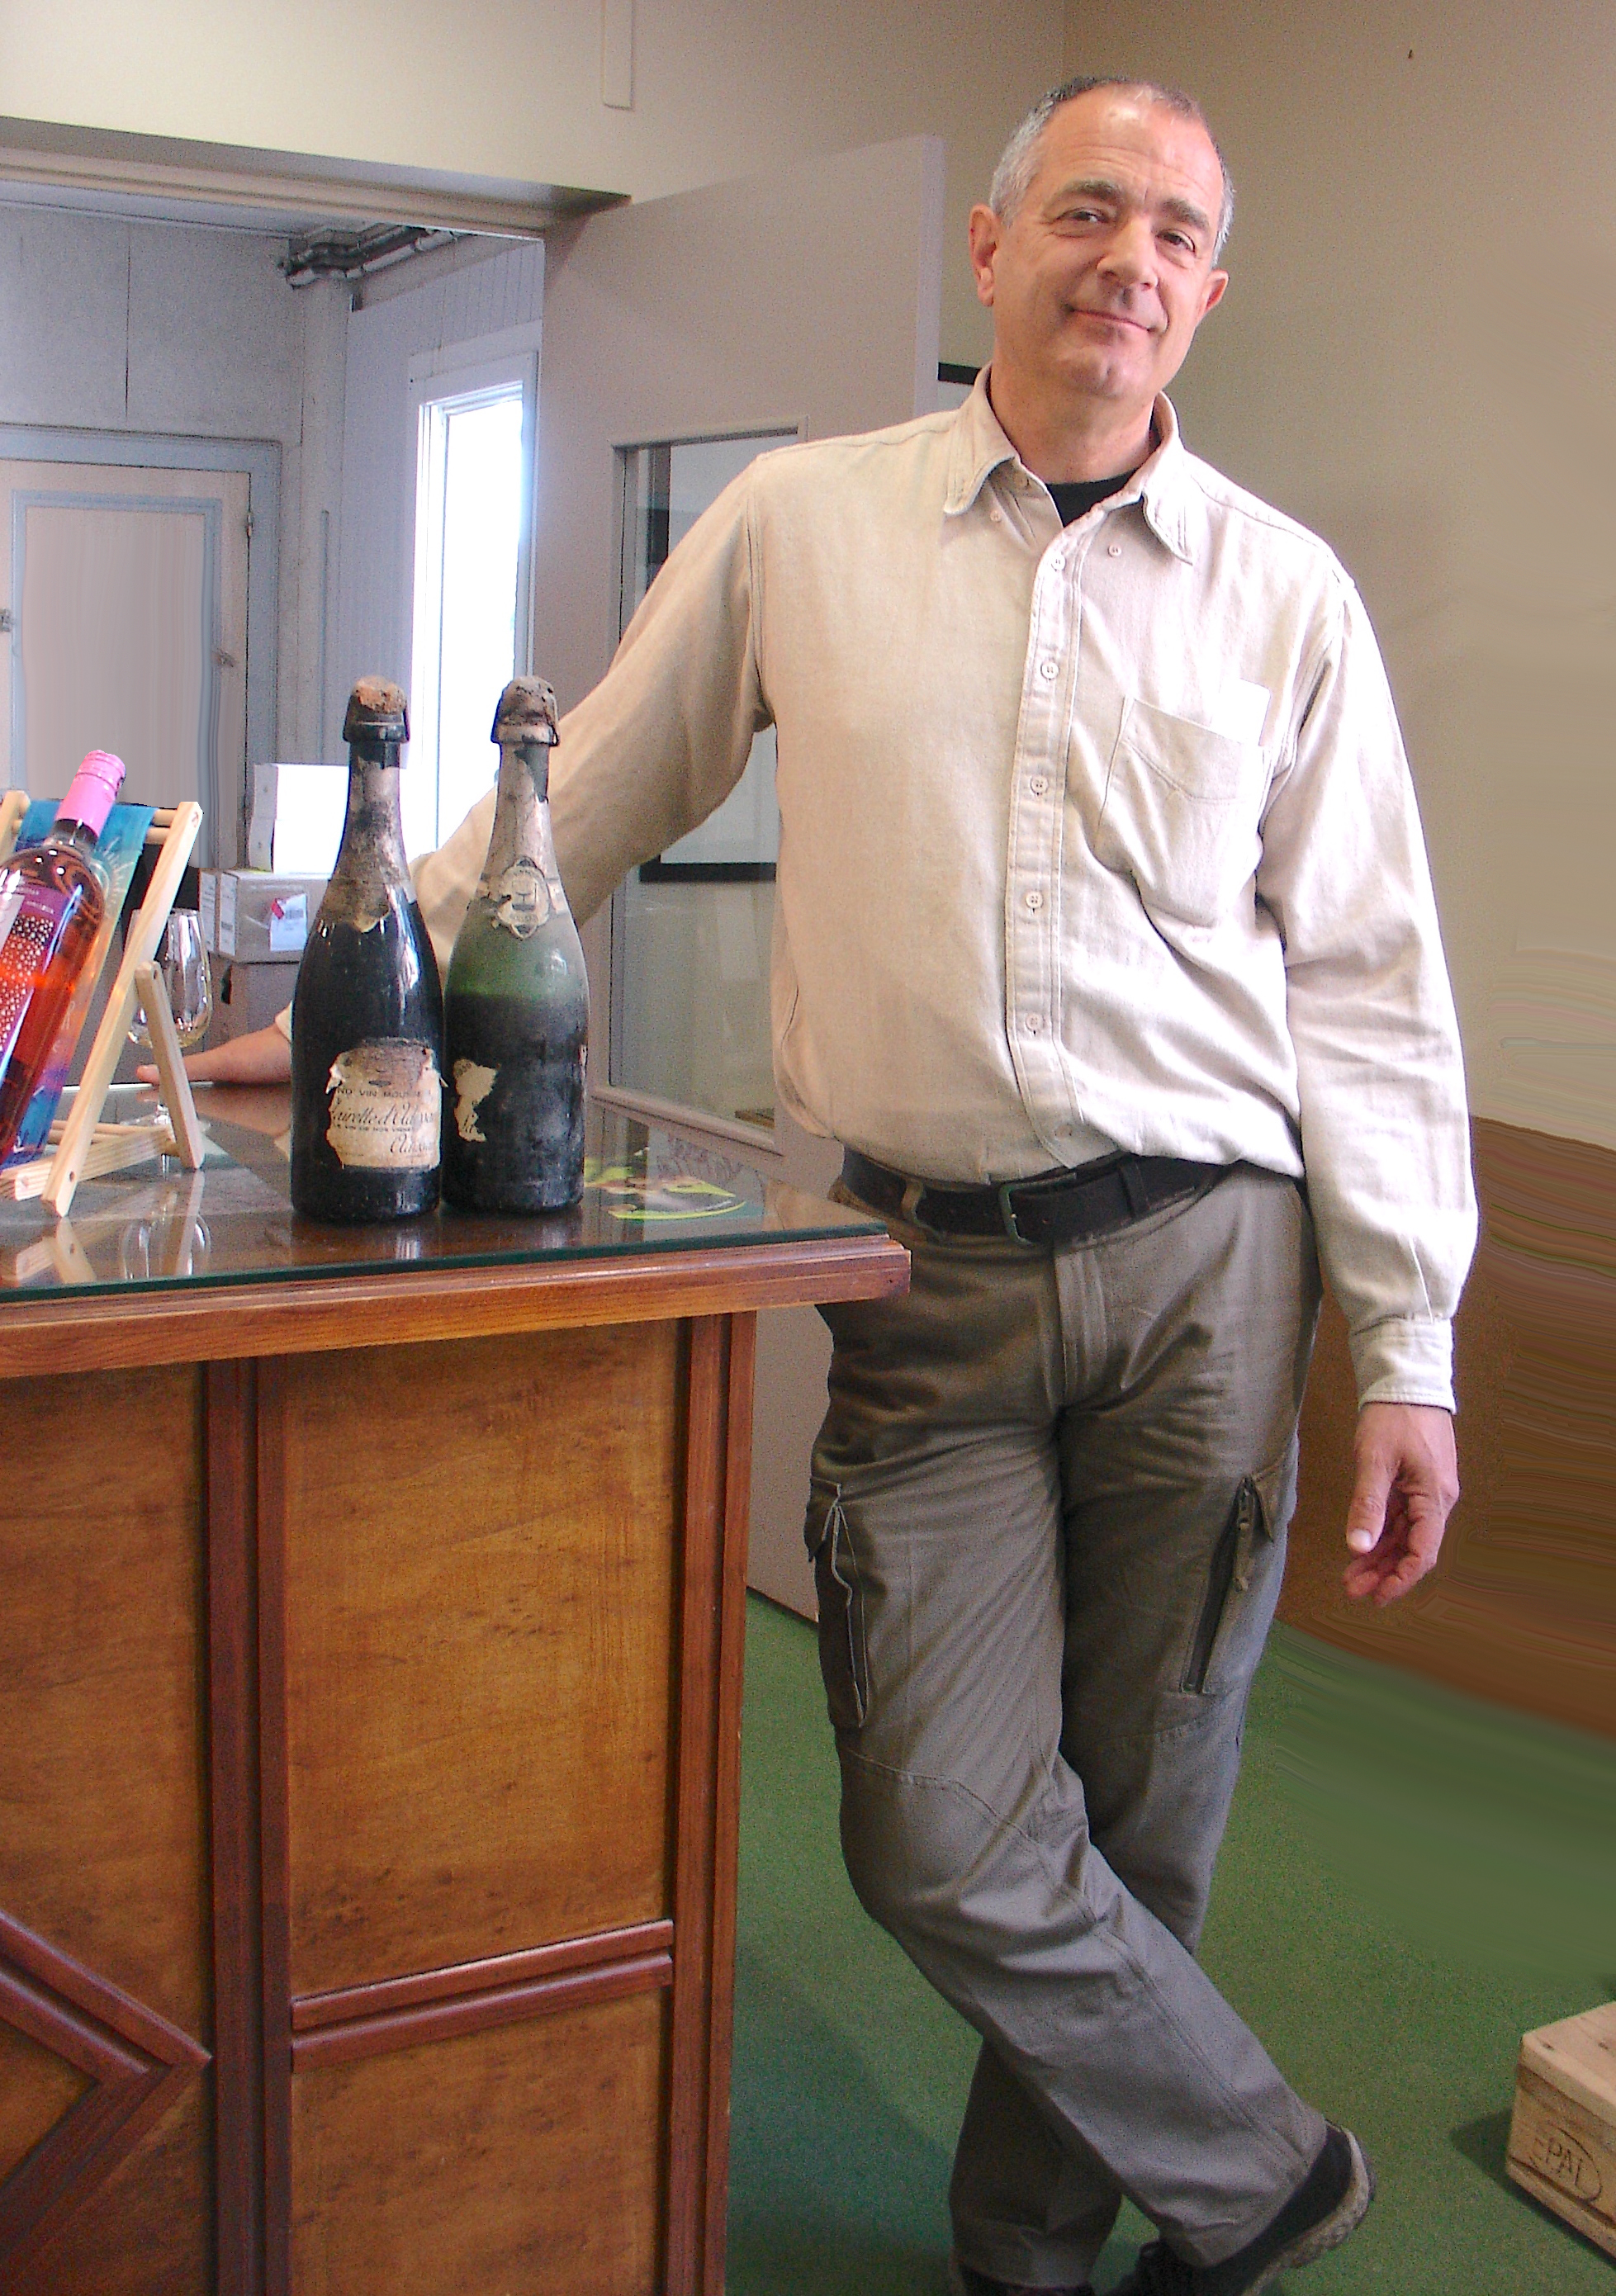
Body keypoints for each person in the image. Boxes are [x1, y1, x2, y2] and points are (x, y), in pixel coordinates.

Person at [173, 74, 1475, 2296]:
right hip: (929, 1280)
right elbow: (584, 795)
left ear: (1210, 293)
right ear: (992, 248)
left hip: (1210, 1269)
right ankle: (1267, 2168)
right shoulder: (805, 523)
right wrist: (335, 1019)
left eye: (1175, 232)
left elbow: (1370, 983)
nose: (1130, 259)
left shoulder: (1287, 598)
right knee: (940, 1830)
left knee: (1145, 1809)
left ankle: (1030, 2253)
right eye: (1088, 209)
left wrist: (1411, 1343)